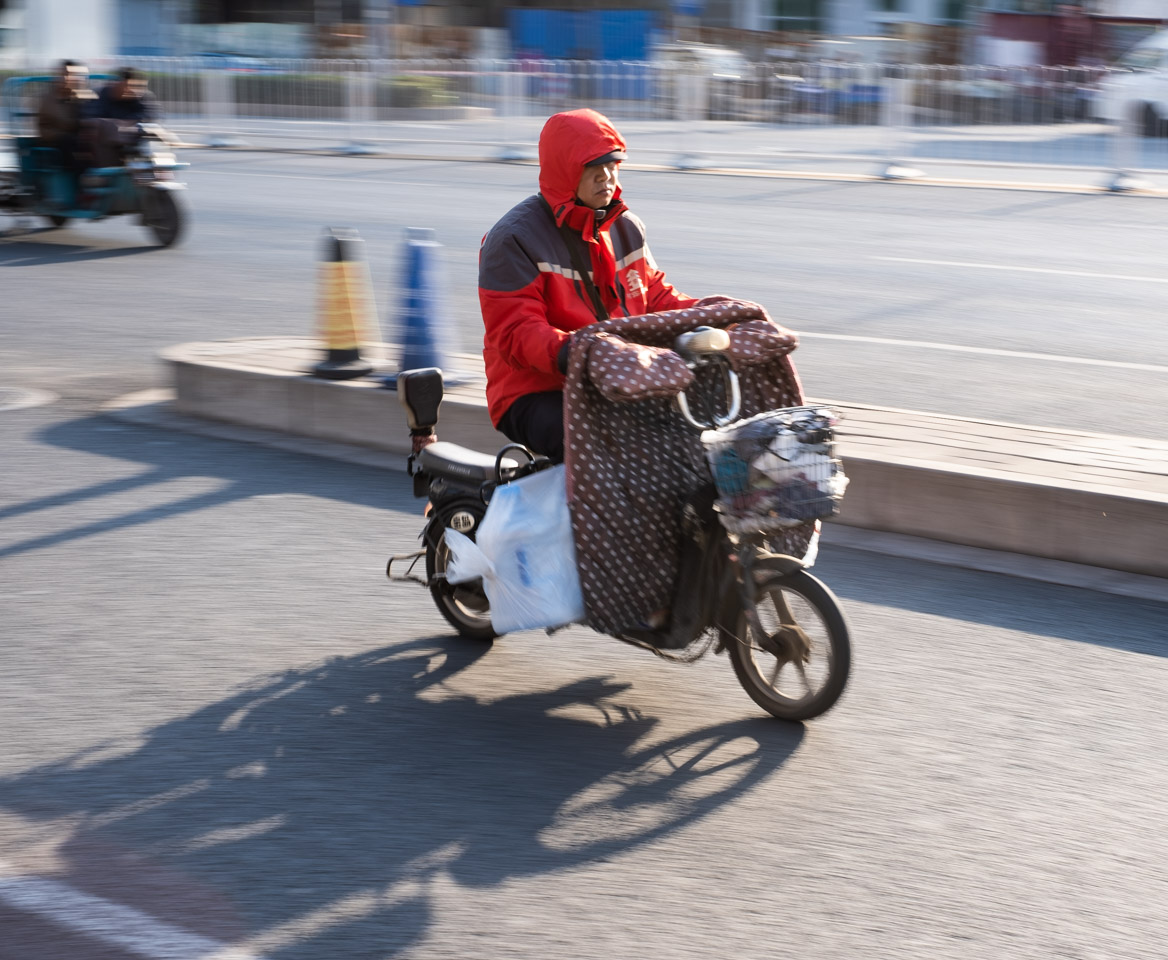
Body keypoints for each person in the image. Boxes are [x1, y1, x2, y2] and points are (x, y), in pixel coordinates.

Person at [478, 109, 701, 463]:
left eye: (613, 165)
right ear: (564, 169)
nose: (606, 177)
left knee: (696, 433)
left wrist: (712, 313)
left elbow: (655, 294)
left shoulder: (626, 227)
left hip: (617, 380)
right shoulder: (512, 240)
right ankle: (596, 518)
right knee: (615, 446)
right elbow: (516, 333)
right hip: (536, 392)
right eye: (592, 167)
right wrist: (581, 352)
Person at [90, 67, 161, 169]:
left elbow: (150, 116)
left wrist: (128, 126)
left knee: (153, 134)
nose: (135, 91)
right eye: (130, 85)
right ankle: (105, 175)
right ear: (118, 84)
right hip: (107, 142)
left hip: (135, 139)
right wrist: (118, 125)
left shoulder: (143, 96)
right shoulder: (100, 95)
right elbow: (92, 118)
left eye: (139, 87)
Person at [36, 60, 97, 173]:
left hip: (74, 136)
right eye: (64, 74)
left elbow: (92, 112)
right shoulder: (49, 98)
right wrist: (81, 123)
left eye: (71, 75)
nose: (66, 79)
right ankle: (83, 176)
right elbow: (63, 122)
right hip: (54, 138)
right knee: (70, 141)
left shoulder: (80, 94)